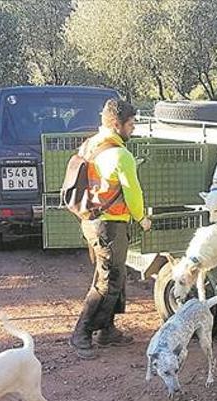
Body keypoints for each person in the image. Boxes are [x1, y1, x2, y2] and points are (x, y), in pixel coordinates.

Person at [69, 99, 152, 359]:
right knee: (107, 281)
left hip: (91, 219)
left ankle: (107, 329)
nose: (134, 128)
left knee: (115, 276)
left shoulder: (91, 144)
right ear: (117, 125)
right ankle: (81, 333)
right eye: (131, 124)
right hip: (109, 225)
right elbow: (133, 194)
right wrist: (142, 219)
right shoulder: (121, 155)